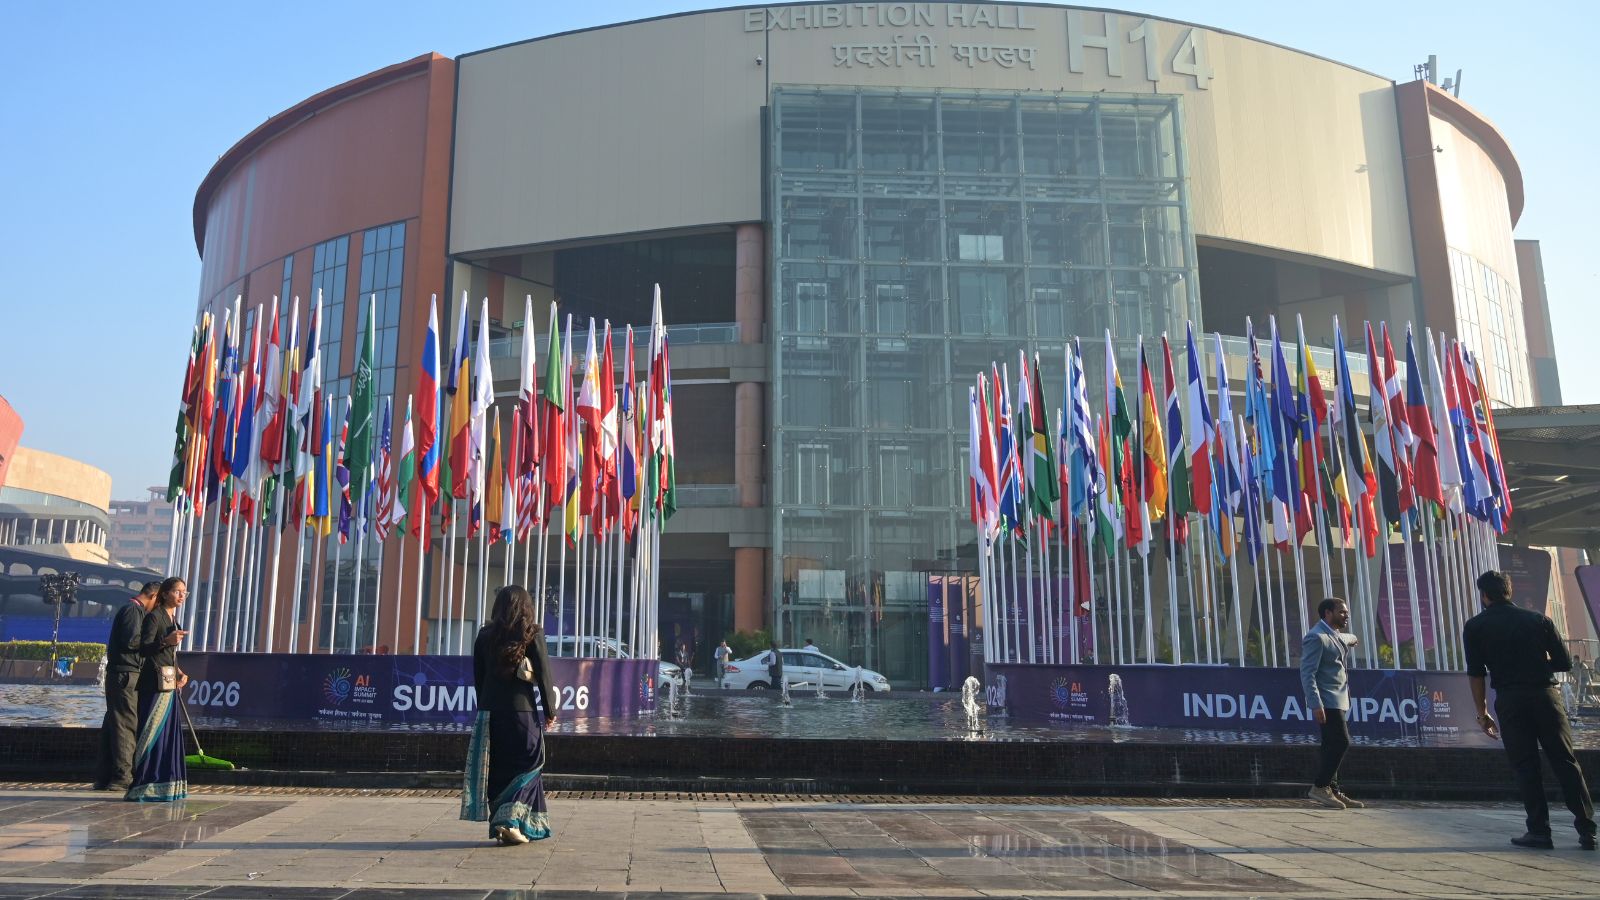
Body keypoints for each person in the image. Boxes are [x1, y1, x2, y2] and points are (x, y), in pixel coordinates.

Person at [1464, 570, 1596, 851]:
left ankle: (1539, 831)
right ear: (1509, 592)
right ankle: (1586, 830)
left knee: (1526, 767)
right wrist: (1535, 666)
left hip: (1511, 700)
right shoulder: (1539, 620)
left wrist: (1482, 712)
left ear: (1484, 595)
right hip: (1545, 697)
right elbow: (1563, 663)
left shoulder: (1475, 626)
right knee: (1565, 761)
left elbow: (1476, 674)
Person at [464, 585, 558, 846]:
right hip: (522, 714)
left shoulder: (484, 635)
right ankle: (510, 822)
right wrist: (550, 711)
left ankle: (507, 825)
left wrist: (485, 706)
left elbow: (479, 679)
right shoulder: (531, 634)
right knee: (530, 765)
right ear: (526, 607)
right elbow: (544, 676)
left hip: (490, 714)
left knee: (498, 770)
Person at [125, 577, 190, 802]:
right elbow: (144, 649)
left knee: (167, 736)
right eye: (178, 592)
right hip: (153, 684)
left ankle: (166, 784)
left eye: (185, 592)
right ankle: (145, 784)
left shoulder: (173, 619)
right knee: (151, 733)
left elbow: (168, 655)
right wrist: (166, 640)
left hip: (169, 683)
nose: (182, 596)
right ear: (164, 594)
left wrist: (179, 672)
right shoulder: (155, 617)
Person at [94, 581, 159, 792]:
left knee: (114, 725)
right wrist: (158, 641)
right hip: (125, 674)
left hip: (121, 675)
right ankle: (122, 778)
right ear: (153, 596)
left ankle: (105, 777)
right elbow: (131, 641)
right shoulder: (133, 610)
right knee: (125, 725)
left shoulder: (131, 609)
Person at [1300, 597, 1362, 810]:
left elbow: (1347, 638)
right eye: (1342, 612)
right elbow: (1308, 673)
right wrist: (1315, 703)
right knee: (1342, 742)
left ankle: (1332, 790)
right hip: (1327, 701)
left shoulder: (1335, 635)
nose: (1346, 615)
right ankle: (1320, 786)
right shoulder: (1316, 637)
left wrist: (1353, 638)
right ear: (1328, 613)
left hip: (1339, 700)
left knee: (1329, 746)